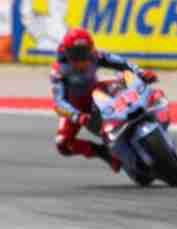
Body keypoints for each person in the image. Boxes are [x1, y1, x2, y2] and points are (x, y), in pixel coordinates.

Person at [52, 28, 156, 172]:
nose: (81, 60)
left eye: (84, 53)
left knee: (128, 83)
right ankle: (103, 152)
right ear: (67, 53)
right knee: (62, 143)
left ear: (90, 49)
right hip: (76, 107)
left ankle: (151, 109)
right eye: (75, 54)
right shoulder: (59, 70)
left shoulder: (96, 55)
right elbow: (58, 103)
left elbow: (122, 63)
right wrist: (76, 116)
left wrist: (141, 73)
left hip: (97, 93)